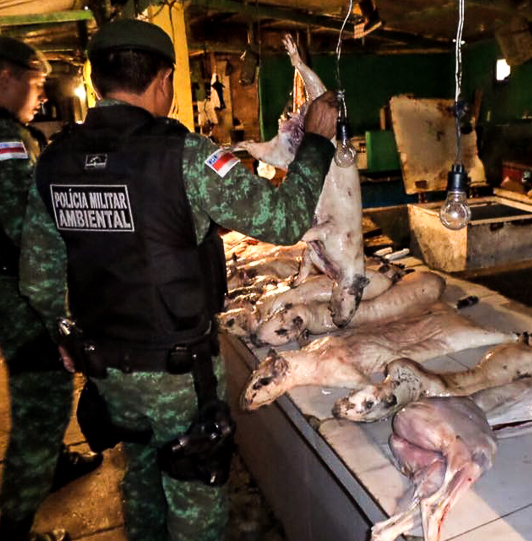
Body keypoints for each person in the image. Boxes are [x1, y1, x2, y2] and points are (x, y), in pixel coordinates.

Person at [18, 19, 338, 541]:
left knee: (141, 475)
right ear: (163, 79)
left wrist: (65, 335)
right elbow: (283, 220)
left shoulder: (54, 161)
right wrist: (318, 145)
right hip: (176, 373)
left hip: (106, 368)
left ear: (98, 79)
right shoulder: (186, 156)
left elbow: (38, 278)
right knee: (194, 498)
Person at [0, 37, 104, 541]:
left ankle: (51, 466)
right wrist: (64, 292)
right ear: (7, 78)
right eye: (34, 85)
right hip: (15, 285)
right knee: (45, 393)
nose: (38, 97)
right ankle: (15, 529)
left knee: (36, 385)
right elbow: (27, 230)